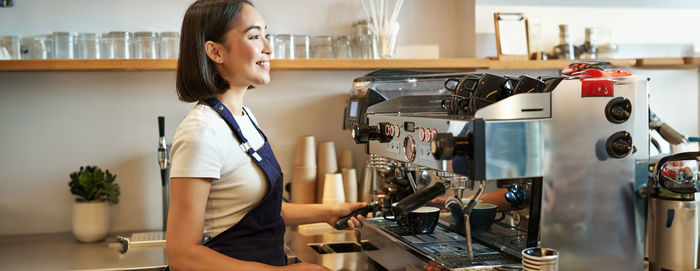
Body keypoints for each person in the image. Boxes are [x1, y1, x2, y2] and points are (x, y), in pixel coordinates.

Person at [165, 1, 368, 270]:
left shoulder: (244, 117)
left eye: (266, 35)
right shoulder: (201, 132)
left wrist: (329, 212)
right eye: (254, 36)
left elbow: (263, 211)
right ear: (215, 51)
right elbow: (183, 256)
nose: (268, 48)